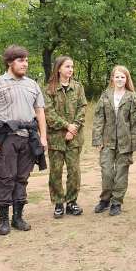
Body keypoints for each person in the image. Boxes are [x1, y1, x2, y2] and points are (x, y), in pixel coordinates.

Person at [0, 45, 47, 235]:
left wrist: (43, 137)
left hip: (28, 138)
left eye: (26, 60)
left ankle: (18, 217)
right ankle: (3, 220)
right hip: (7, 138)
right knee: (6, 178)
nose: (25, 64)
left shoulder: (32, 85)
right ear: (10, 62)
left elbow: (40, 112)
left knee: (22, 178)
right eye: (20, 60)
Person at [92, 65, 136, 216]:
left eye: (123, 77)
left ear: (126, 79)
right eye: (117, 76)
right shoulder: (105, 95)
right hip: (107, 141)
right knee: (107, 172)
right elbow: (99, 118)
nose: (120, 79)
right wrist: (97, 139)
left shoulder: (131, 97)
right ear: (112, 79)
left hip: (125, 142)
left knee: (121, 173)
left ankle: (116, 202)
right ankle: (105, 199)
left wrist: (135, 142)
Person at [44, 56, 86, 219]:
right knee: (55, 171)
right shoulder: (49, 89)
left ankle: (71, 201)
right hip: (56, 138)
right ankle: (58, 203)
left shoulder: (78, 87)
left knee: (74, 171)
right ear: (59, 68)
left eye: (72, 67)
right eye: (67, 66)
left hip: (74, 137)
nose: (70, 69)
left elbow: (82, 108)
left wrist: (74, 127)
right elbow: (49, 112)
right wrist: (66, 126)